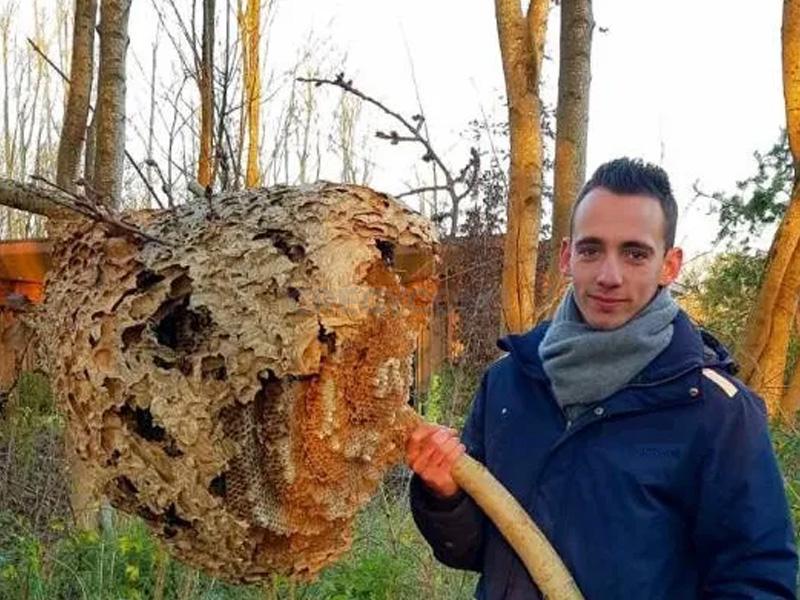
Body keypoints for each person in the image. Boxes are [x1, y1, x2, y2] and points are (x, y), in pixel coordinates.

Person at [407, 158, 798, 599]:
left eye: (635, 254)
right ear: (566, 256)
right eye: (591, 250)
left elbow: (759, 580)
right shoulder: (509, 382)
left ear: (670, 265)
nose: (609, 276)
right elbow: (478, 551)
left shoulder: (716, 410)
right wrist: (445, 495)